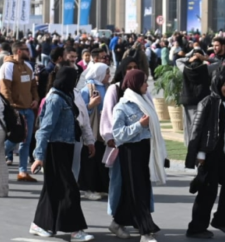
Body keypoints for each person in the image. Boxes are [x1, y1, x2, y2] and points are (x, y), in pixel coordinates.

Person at [29, 66, 94, 242]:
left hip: (66, 147)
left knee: (52, 188)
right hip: (54, 148)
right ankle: (75, 230)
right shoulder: (55, 99)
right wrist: (39, 157)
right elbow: (44, 129)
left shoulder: (68, 96)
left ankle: (39, 224)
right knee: (70, 189)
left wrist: (89, 140)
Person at [185, 69, 225, 239]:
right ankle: (196, 228)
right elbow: (197, 131)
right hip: (207, 154)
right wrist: (199, 157)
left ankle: (222, 220)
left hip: (218, 153)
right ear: (217, 84)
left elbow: (223, 131)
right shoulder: (207, 102)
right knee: (207, 193)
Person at [112, 69, 165, 242]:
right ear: (135, 83)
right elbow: (118, 134)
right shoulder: (122, 106)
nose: (147, 85)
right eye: (143, 82)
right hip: (130, 153)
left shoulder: (143, 101)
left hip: (144, 151)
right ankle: (145, 232)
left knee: (133, 190)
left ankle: (117, 222)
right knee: (139, 191)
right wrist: (139, 125)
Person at [100, 56, 141, 237]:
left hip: (139, 144)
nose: (131, 70)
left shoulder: (141, 88)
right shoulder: (114, 89)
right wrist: (110, 137)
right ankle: (117, 220)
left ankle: (138, 218)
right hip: (119, 144)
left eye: (135, 67)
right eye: (128, 68)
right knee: (119, 182)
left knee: (138, 184)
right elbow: (107, 115)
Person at [0, 41, 39, 181]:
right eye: (26, 50)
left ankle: (22, 171)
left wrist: (35, 98)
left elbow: (33, 85)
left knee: (26, 141)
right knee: (14, 139)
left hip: (28, 109)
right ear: (19, 51)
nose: (29, 52)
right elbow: (5, 90)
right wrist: (11, 108)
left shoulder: (28, 66)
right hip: (15, 110)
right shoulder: (7, 66)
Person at [79, 63, 111, 200]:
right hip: (92, 128)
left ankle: (100, 187)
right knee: (89, 159)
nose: (109, 76)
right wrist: (91, 105)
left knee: (100, 159)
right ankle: (87, 188)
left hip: (103, 130)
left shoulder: (106, 87)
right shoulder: (87, 89)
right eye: (107, 73)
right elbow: (80, 110)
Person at [178, 49, 212, 146]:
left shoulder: (185, 68)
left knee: (189, 124)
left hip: (189, 100)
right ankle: (202, 145)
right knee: (203, 124)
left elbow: (177, 61)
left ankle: (190, 145)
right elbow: (218, 62)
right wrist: (205, 58)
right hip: (203, 100)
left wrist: (189, 58)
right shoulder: (206, 68)